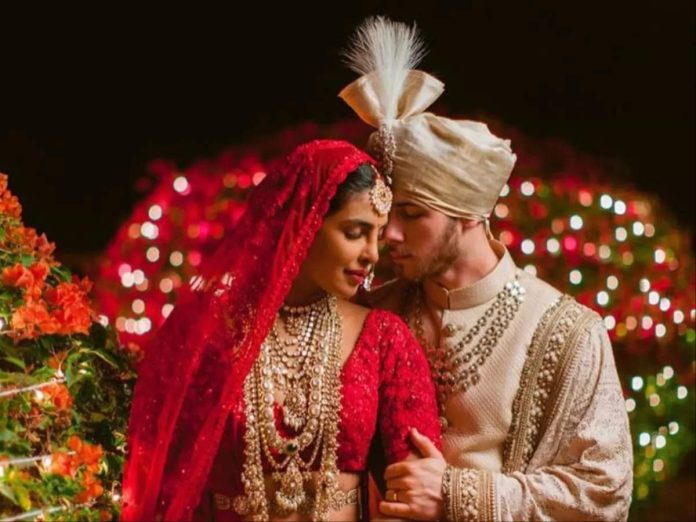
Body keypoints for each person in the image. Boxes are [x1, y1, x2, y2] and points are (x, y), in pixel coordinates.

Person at [339, 17, 633, 521]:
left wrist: (456, 495)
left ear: (471, 213)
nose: (388, 236)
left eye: (412, 215)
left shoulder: (568, 333)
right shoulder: (372, 311)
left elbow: (603, 492)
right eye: (388, 215)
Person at [120, 140, 442, 521]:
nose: (372, 253)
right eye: (355, 232)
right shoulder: (207, 332)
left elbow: (414, 491)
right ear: (304, 221)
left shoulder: (384, 338)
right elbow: (160, 475)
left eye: (377, 234)